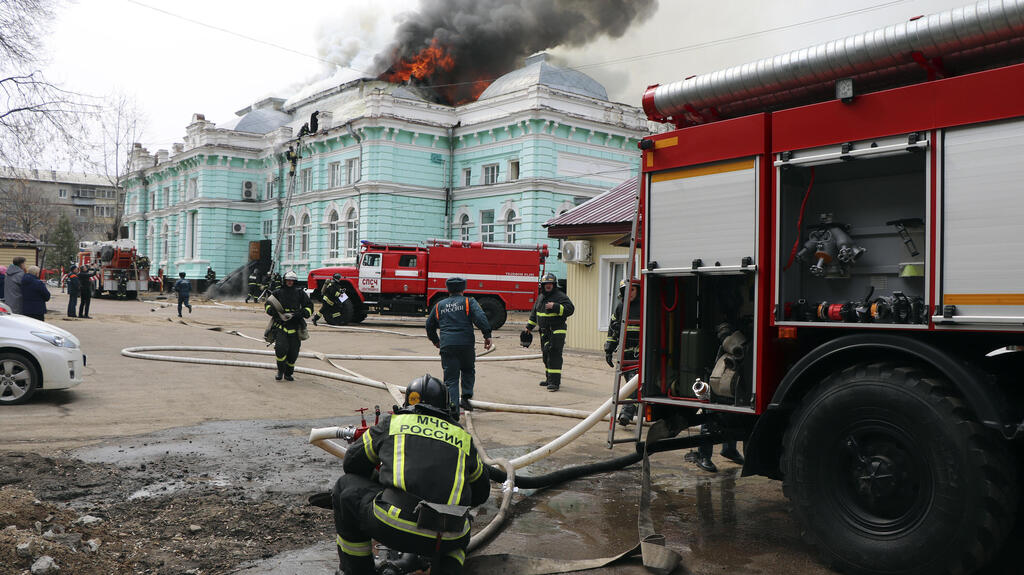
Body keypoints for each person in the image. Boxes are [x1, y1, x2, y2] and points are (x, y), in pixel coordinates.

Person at [332, 374, 489, 575]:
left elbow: (352, 464)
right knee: (462, 519)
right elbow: (481, 493)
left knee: (345, 487)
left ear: (407, 403)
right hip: (448, 537)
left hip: (394, 526)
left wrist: (384, 483)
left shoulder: (394, 423)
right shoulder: (463, 438)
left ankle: (358, 570)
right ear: (446, 407)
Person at [425, 277, 492, 417]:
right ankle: (466, 399)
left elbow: (429, 325)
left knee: (451, 379)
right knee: (468, 370)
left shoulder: (439, 305)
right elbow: (481, 318)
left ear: (448, 289)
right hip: (466, 345)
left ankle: (453, 408)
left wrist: (435, 340)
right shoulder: (469, 302)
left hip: (447, 346)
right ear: (463, 289)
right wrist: (487, 335)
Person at [523, 272, 574, 392]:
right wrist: (529, 327)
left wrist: (555, 306)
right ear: (543, 285)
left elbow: (570, 309)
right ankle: (549, 379)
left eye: (550, 284)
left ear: (554, 285)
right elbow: (535, 313)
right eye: (546, 284)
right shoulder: (540, 297)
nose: (548, 286)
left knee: (554, 355)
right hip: (544, 332)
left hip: (557, 331)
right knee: (546, 355)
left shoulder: (560, 296)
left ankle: (554, 383)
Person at [606, 279, 642, 427]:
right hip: (625, 354)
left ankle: (626, 414)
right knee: (632, 384)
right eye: (626, 290)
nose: (630, 293)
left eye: (632, 290)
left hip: (639, 354)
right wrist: (608, 348)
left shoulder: (643, 306)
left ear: (638, 291)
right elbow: (612, 329)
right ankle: (637, 409)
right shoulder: (621, 307)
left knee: (633, 385)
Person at [264, 270, 312, 381]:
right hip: (281, 326)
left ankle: (288, 373)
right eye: (288, 280)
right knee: (280, 350)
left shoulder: (300, 293)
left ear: (294, 282)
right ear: (284, 281)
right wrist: (273, 312)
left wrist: (300, 314)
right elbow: (267, 304)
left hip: (295, 327)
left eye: (292, 280)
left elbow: (309, 305)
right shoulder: (278, 292)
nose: (290, 282)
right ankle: (280, 371)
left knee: (293, 353)